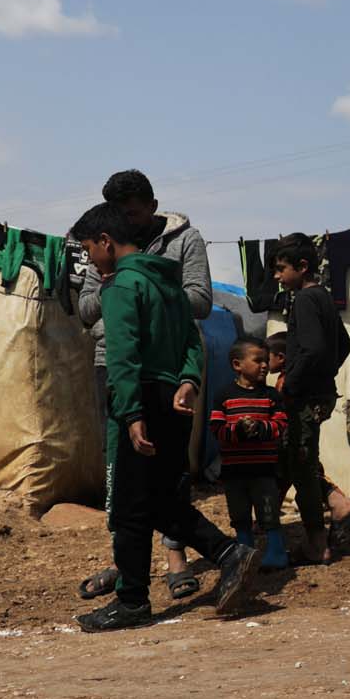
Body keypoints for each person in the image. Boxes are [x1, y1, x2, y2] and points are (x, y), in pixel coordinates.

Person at [68, 202, 260, 631]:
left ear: (106, 242)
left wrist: (131, 413)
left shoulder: (120, 288)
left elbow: (122, 354)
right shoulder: (169, 285)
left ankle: (133, 601)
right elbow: (193, 342)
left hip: (140, 398)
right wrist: (189, 381)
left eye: (89, 249)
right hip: (177, 401)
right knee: (158, 499)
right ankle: (229, 554)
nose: (91, 260)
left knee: (131, 507)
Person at [75, 169, 212, 603]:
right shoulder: (104, 246)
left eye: (133, 213)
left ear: (153, 207)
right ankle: (127, 562)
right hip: (113, 362)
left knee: (169, 471)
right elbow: (84, 308)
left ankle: (175, 559)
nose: (127, 222)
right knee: (121, 468)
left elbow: (201, 301)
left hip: (167, 368)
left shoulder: (184, 240)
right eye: (121, 216)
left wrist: (149, 288)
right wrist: (119, 284)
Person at [275, 233, 350, 565]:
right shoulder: (321, 296)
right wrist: (326, 375)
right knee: (294, 460)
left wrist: (290, 385)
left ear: (302, 266)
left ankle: (317, 541)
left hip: (304, 399)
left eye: (282, 269)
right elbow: (343, 345)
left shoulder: (305, 301)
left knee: (302, 468)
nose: (278, 277)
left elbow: (311, 350)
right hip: (320, 394)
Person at [265, 332, 350, 554]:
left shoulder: (287, 382)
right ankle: (337, 500)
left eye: (266, 357)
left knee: (298, 468)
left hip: (293, 436)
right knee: (302, 466)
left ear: (280, 358)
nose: (263, 364)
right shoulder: (306, 375)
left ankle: (320, 531)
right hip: (302, 433)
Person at [209, 336, 291, 570]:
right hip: (234, 471)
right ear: (237, 365)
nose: (265, 365)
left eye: (266, 360)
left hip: (264, 470)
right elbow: (216, 429)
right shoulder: (224, 396)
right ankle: (245, 555)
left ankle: (276, 553)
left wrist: (260, 428)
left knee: (268, 512)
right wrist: (239, 430)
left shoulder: (271, 396)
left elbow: (280, 425)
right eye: (258, 360)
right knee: (240, 515)